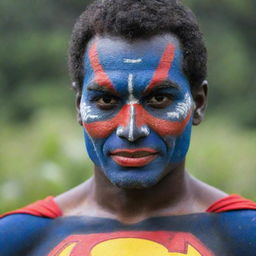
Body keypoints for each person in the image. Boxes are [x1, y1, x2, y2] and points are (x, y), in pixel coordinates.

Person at [1, 0, 256, 255]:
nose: (131, 130)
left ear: (198, 104)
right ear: (79, 107)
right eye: (106, 100)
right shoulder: (18, 239)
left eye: (158, 99)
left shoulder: (243, 234)